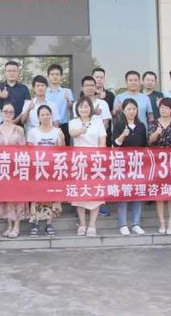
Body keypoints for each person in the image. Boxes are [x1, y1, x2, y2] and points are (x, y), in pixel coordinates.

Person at [69, 97, 106, 237]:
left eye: (86, 106)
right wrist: (81, 130)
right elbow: (72, 134)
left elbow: (102, 141)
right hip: (80, 162)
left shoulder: (97, 121)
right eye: (81, 107)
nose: (84, 109)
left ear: (90, 108)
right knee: (80, 194)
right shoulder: (73, 122)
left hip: (95, 162)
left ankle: (92, 225)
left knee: (95, 193)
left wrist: (99, 157)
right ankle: (82, 224)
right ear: (77, 109)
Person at [0, 102, 29, 238]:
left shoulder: (19, 130)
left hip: (17, 167)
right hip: (2, 168)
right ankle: (9, 225)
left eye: (11, 112)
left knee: (17, 197)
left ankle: (16, 226)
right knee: (6, 197)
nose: (8, 114)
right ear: (1, 113)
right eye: (5, 111)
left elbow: (24, 149)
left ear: (14, 114)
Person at [148, 97, 171, 234]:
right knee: (159, 194)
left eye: (167, 108)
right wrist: (156, 133)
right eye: (162, 107)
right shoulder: (153, 123)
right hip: (157, 163)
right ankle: (162, 223)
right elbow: (149, 141)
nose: (164, 110)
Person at [26, 105, 63, 237]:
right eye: (42, 115)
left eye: (47, 114)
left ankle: (49, 223)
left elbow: (62, 150)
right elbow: (29, 151)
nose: (45, 117)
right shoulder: (32, 132)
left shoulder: (57, 131)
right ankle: (35, 222)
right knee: (36, 196)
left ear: (51, 115)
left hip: (53, 169)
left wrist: (61, 140)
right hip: (38, 168)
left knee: (51, 195)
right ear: (38, 117)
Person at [113, 99, 148, 235]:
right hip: (122, 164)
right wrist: (123, 135)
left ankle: (136, 223)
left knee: (137, 192)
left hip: (138, 164)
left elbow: (144, 145)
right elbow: (114, 144)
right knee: (123, 192)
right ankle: (123, 224)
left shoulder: (141, 126)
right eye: (129, 109)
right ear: (123, 110)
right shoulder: (119, 124)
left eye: (134, 109)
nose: (132, 111)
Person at [91, 69, 115, 217]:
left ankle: (101, 203)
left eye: (101, 77)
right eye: (96, 77)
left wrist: (99, 137)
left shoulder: (109, 97)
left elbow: (107, 122)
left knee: (101, 173)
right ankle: (83, 203)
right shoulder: (83, 99)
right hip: (85, 144)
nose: (98, 79)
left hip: (102, 141)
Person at [46, 63, 74, 144]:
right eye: (52, 74)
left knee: (64, 149)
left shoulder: (67, 91)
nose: (55, 76)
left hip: (63, 125)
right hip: (47, 125)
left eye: (57, 74)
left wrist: (68, 100)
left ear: (61, 76)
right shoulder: (45, 92)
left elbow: (71, 107)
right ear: (48, 77)